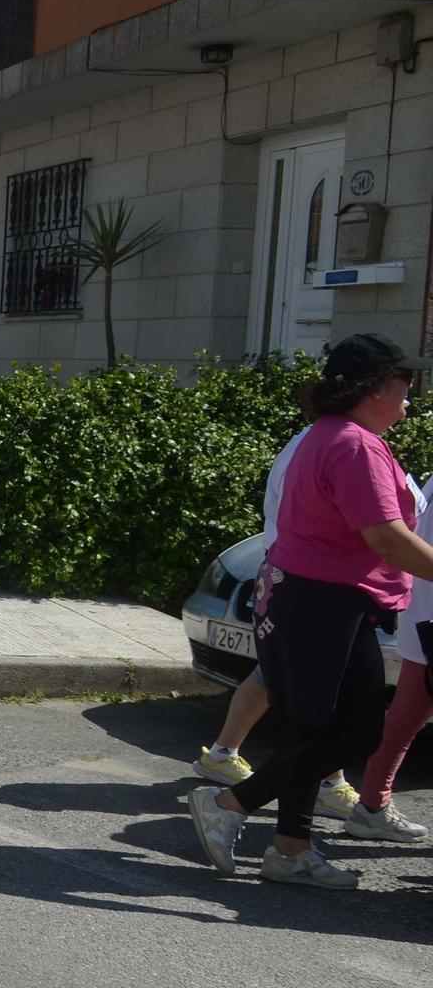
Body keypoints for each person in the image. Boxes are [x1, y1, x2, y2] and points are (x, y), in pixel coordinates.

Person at [188, 334, 433, 890]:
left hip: (323, 600)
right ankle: (228, 802)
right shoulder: (354, 446)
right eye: (403, 387)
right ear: (373, 390)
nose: (409, 401)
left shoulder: (330, 435)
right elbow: (388, 539)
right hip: (322, 602)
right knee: (349, 733)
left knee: (325, 729)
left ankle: (290, 850)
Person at [192, 425, 363, 822]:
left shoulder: (311, 439)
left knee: (278, 674)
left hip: (285, 569)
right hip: (306, 578)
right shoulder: (339, 444)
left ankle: (224, 755)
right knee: (320, 694)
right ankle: (320, 789)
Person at [350, 467, 433, 844]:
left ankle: (372, 805)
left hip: (423, 613)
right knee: (404, 718)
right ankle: (372, 806)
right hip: (426, 611)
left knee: (404, 718)